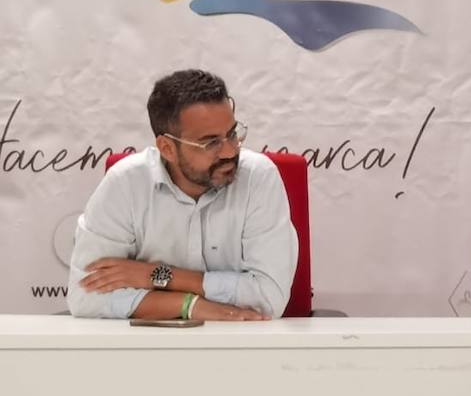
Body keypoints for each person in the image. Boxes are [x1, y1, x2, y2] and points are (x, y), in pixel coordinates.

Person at [67, 69, 298, 321]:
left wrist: (155, 275)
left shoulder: (258, 177)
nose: (230, 151)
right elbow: (85, 298)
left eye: (232, 134)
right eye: (211, 143)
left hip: (241, 346)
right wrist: (190, 305)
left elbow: (268, 299)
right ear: (167, 148)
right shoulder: (125, 184)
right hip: (148, 351)